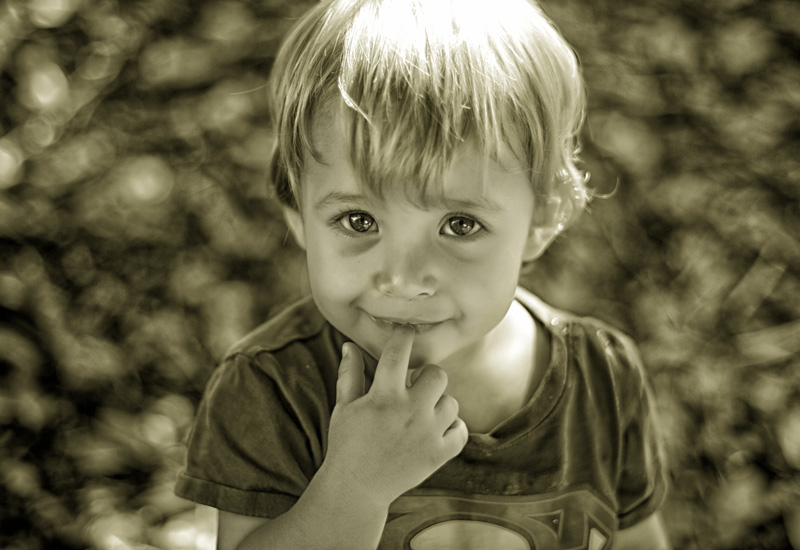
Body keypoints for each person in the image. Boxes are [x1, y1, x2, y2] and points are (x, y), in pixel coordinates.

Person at [175, 0, 671, 548]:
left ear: (544, 217)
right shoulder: (271, 390)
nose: (405, 279)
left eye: (460, 224)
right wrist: (355, 488)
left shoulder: (604, 378)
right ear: (296, 211)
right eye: (358, 220)